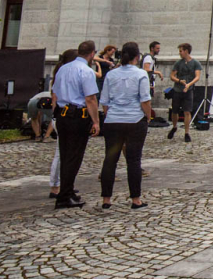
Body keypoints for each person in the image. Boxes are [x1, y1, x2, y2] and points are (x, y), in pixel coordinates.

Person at [97, 41, 152, 209]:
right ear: (137, 57)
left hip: (113, 120)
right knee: (134, 160)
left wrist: (110, 115)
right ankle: (135, 199)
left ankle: (106, 199)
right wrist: (148, 117)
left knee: (110, 159)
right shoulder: (141, 74)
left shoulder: (111, 75)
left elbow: (104, 100)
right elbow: (145, 100)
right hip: (134, 120)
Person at [52, 42, 101, 209]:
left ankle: (67, 190)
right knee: (74, 156)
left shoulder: (63, 69)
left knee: (66, 155)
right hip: (78, 115)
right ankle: (64, 195)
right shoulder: (86, 71)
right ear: (92, 54)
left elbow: (56, 92)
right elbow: (90, 98)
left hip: (62, 114)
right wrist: (96, 121)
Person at [46, 49, 77, 201]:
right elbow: (55, 99)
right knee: (60, 153)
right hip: (63, 116)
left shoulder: (64, 74)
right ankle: (55, 185)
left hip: (65, 116)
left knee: (68, 153)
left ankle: (65, 184)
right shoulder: (62, 75)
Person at [168, 43, 201, 141]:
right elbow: (172, 76)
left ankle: (187, 132)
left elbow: (197, 76)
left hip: (189, 90)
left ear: (186, 51)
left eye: (181, 51)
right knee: (174, 111)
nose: (180, 53)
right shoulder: (178, 63)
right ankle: (174, 127)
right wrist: (179, 81)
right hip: (178, 89)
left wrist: (189, 84)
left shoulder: (195, 63)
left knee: (187, 111)